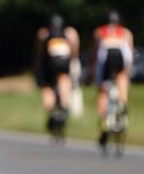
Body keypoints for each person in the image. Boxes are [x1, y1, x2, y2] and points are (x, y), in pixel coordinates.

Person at [90, 10, 134, 147]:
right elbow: (129, 55)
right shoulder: (125, 32)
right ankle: (123, 105)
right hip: (122, 57)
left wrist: (92, 71)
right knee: (122, 78)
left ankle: (104, 122)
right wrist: (127, 75)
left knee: (103, 91)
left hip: (105, 59)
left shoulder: (99, 32)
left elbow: (95, 54)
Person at [33, 15, 80, 133]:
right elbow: (74, 50)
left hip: (49, 65)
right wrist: (73, 59)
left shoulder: (43, 33)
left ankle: (51, 110)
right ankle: (64, 106)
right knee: (64, 79)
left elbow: (39, 52)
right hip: (64, 63)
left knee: (47, 87)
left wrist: (38, 67)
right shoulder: (69, 33)